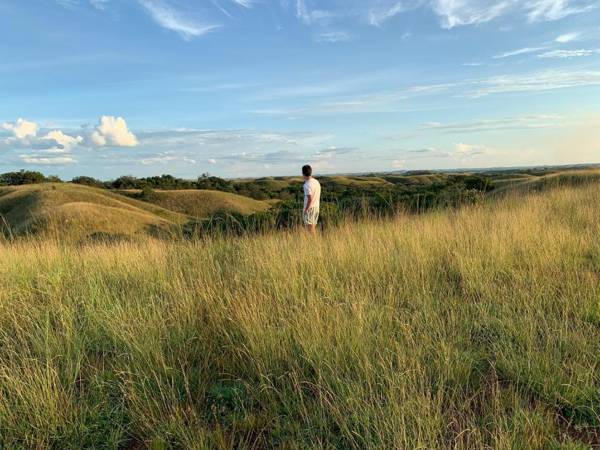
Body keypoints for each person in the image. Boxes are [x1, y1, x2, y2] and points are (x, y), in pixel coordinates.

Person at [302, 165, 321, 235]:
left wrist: (306, 210)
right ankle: (314, 242)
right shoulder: (316, 182)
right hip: (316, 207)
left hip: (310, 208)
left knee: (310, 228)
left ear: (303, 173)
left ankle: (315, 243)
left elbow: (310, 199)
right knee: (312, 227)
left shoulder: (306, 185)